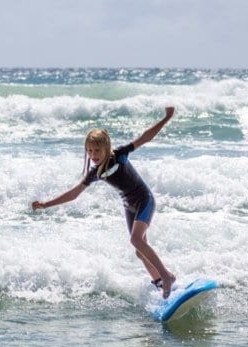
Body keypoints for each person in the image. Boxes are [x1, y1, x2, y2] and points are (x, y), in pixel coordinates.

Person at [32, 107, 177, 298]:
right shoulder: (95, 172)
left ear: (106, 147)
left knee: (135, 240)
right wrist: (45, 204)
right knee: (140, 251)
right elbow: (73, 194)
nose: (93, 155)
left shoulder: (120, 155)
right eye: (90, 151)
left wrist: (166, 118)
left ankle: (167, 276)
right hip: (129, 206)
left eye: (97, 150)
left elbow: (145, 137)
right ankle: (159, 282)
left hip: (144, 200)